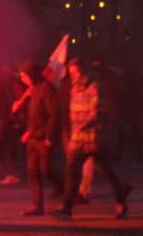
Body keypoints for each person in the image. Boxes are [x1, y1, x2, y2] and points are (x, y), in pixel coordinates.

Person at [55, 58, 132, 220]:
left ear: (82, 72)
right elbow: (72, 112)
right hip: (78, 139)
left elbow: (99, 111)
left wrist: (86, 124)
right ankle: (66, 208)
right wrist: (73, 134)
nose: (73, 76)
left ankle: (121, 194)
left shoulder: (95, 86)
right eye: (71, 73)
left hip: (95, 138)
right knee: (72, 171)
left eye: (75, 72)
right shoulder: (74, 89)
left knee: (107, 170)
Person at [16, 60, 63, 216]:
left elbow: (53, 114)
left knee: (46, 169)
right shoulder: (33, 89)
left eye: (24, 76)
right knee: (32, 171)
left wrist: (49, 136)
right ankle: (37, 206)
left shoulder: (47, 89)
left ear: (32, 74)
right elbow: (34, 114)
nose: (23, 79)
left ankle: (66, 191)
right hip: (33, 138)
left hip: (43, 138)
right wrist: (29, 131)